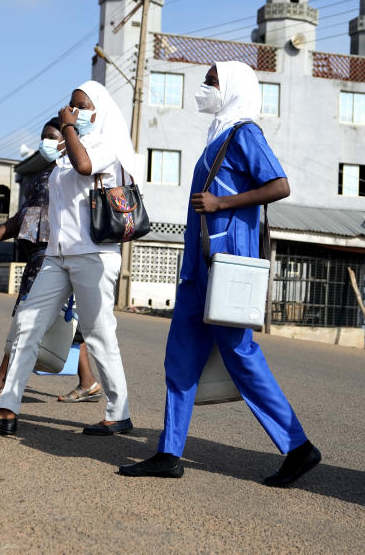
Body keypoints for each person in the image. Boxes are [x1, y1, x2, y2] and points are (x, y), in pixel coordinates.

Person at [119, 61, 320, 486]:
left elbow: (280, 186)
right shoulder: (217, 136)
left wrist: (221, 205)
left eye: (211, 81)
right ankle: (169, 452)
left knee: (241, 355)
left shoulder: (245, 131)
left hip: (228, 265)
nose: (204, 87)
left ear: (230, 88)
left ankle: (298, 447)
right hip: (198, 268)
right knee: (181, 358)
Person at [0, 81, 136, 435]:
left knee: (99, 334)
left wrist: (68, 127)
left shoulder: (105, 144)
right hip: (57, 255)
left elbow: (86, 166)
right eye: (70, 106)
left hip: (93, 254)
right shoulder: (64, 154)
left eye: (80, 106)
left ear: (98, 112)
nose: (72, 111)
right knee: (27, 324)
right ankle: (8, 409)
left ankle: (119, 413)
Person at [0, 118, 104, 404]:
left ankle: (1, 382)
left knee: (28, 317)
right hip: (47, 256)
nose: (46, 142)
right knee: (69, 320)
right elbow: (22, 220)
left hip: (61, 255)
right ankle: (88, 382)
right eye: (43, 137)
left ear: (67, 138)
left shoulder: (77, 173)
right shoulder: (42, 177)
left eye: (52, 136)